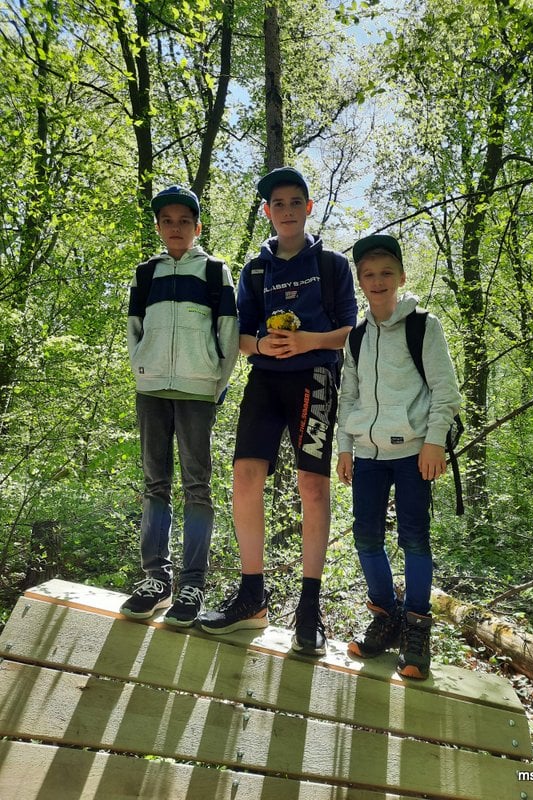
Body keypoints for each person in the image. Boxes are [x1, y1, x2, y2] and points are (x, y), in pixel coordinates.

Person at [199, 166, 357, 655]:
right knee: (245, 477)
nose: (287, 211)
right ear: (267, 212)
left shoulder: (333, 265)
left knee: (312, 485)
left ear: (308, 207)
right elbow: (240, 336)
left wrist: (307, 340)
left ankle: (309, 609)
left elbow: (352, 332)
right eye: (278, 204)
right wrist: (262, 345)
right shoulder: (256, 269)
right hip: (265, 380)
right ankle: (252, 596)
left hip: (316, 378)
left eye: (295, 202)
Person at [336, 234, 461, 679]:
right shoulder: (356, 337)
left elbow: (445, 390)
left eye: (386, 272)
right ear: (360, 281)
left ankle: (416, 628)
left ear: (402, 277)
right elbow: (348, 396)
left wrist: (434, 441)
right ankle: (386, 617)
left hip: (413, 452)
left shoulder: (423, 326)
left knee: (414, 539)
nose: (378, 281)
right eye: (369, 274)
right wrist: (345, 447)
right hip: (367, 455)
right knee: (366, 538)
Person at [120, 185, 239, 628]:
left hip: (197, 392)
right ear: (158, 227)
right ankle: (157, 580)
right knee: (155, 484)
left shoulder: (215, 272)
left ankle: (192, 584)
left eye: (184, 221)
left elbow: (229, 333)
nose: (175, 228)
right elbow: (134, 329)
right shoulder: (145, 274)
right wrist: (142, 370)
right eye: (167, 221)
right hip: (151, 390)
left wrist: (214, 386)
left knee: (197, 487)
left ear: (197, 227)